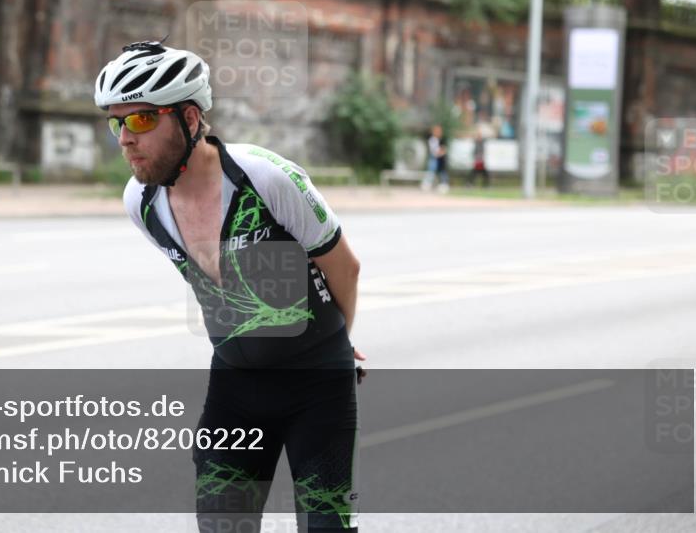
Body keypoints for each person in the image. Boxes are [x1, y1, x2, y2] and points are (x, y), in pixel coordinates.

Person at [96, 40, 365, 532]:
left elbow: (343, 267)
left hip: (317, 384)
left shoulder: (266, 177)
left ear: (191, 119)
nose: (125, 138)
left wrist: (340, 346)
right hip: (236, 387)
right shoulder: (141, 201)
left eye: (141, 120)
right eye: (117, 122)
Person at [421, 124, 449, 193]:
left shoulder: (442, 139)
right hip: (434, 157)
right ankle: (427, 184)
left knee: (442, 171)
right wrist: (437, 153)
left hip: (441, 158)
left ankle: (443, 184)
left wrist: (440, 153)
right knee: (431, 170)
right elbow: (432, 149)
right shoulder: (431, 139)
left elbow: (444, 149)